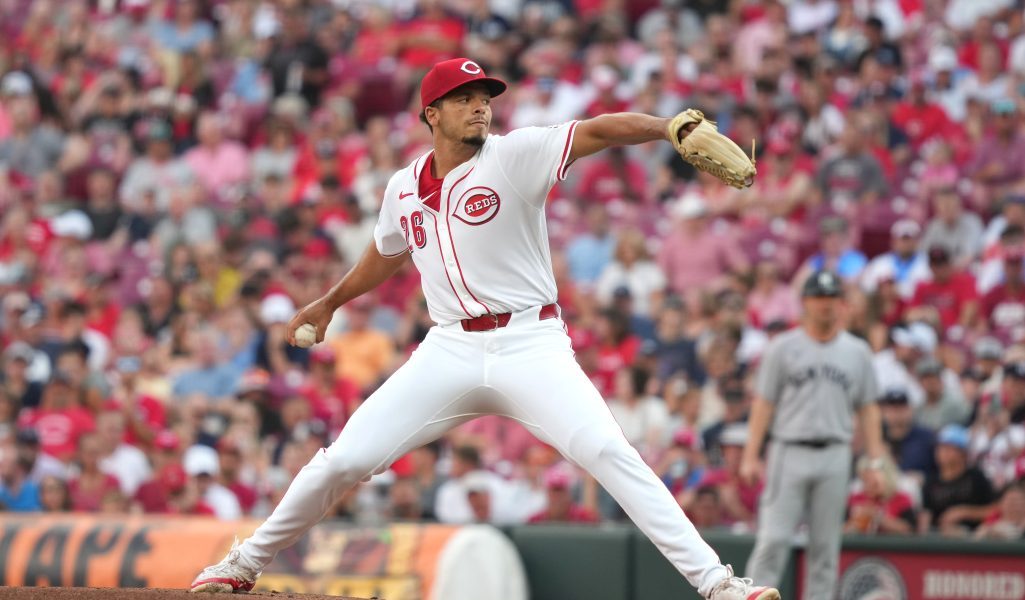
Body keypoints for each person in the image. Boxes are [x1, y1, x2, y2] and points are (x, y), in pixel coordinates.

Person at [189, 58, 777, 600]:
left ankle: (719, 584)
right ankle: (242, 563)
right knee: (342, 460)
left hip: (530, 341)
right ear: (431, 114)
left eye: (484, 96)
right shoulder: (402, 186)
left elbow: (596, 130)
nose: (480, 106)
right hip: (448, 347)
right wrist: (330, 301)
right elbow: (388, 251)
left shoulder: (513, 155)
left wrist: (665, 125)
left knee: (606, 450)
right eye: (463, 97)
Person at [741, 270, 884, 600]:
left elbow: (868, 409)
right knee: (773, 540)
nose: (825, 305)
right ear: (805, 302)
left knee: (825, 547)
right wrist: (750, 455)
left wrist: (875, 461)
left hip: (836, 451)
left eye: (832, 297)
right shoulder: (782, 347)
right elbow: (763, 405)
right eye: (819, 297)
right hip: (788, 450)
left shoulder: (857, 351)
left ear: (841, 304)